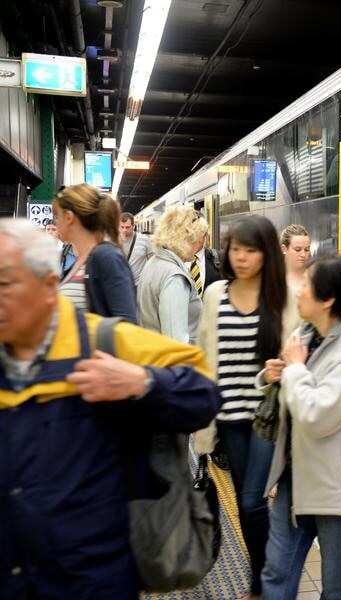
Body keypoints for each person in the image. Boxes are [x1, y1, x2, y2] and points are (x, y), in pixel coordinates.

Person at [0, 219, 219, 599]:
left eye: (5, 283)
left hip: (94, 581)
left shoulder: (105, 342)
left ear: (49, 287)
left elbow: (204, 393)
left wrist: (144, 383)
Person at [260, 255, 341, 600]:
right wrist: (272, 376)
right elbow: (295, 395)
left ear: (328, 300)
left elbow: (316, 415)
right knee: (277, 573)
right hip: (296, 480)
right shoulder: (304, 334)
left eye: (307, 286)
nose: (298, 290)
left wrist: (294, 370)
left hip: (340, 489)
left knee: (339, 587)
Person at [196, 215, 299, 600]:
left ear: (266, 254)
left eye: (250, 250)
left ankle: (266, 584)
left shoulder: (282, 298)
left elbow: (300, 353)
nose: (240, 257)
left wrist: (287, 368)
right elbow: (206, 357)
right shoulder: (215, 295)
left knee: (254, 500)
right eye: (235, 249)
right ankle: (263, 579)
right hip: (229, 417)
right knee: (243, 500)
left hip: (267, 416)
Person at [52, 183, 138, 323]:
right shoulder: (80, 260)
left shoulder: (106, 257)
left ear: (69, 217)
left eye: (57, 216)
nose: (55, 223)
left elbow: (127, 324)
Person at [137, 205, 205, 345]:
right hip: (174, 361)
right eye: (199, 237)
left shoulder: (154, 263)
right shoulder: (174, 278)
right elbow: (176, 341)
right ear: (186, 238)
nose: (200, 244)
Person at [186, 214, 222, 299]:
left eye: (195, 233)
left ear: (204, 235)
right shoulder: (176, 261)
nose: (190, 237)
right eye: (187, 232)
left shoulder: (218, 259)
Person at [119, 211, 153, 286]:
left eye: (127, 227)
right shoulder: (114, 240)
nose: (124, 230)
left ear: (133, 226)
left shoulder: (144, 239)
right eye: (122, 227)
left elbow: (152, 260)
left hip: (138, 284)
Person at [280, 223, 311, 292]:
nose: (303, 254)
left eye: (307, 249)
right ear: (284, 249)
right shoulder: (272, 280)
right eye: (297, 249)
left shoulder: (315, 280)